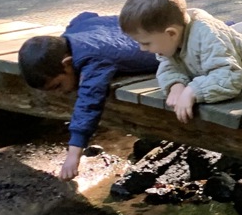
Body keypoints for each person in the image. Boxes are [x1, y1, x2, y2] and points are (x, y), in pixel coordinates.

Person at [18, 12, 158, 180]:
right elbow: (85, 16)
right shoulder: (73, 34)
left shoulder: (93, 59)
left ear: (67, 63)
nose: (59, 93)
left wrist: (73, 156)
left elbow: (89, 104)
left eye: (57, 86)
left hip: (164, 45)